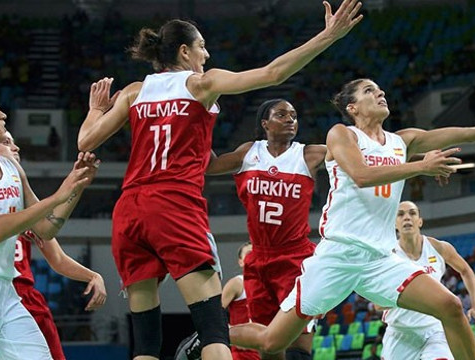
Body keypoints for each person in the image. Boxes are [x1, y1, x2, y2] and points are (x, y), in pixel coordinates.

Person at [76, 3, 363, 360]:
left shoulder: (135, 91)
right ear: (185, 51)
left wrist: (94, 110)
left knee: (146, 339)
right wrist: (328, 36)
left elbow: (85, 142)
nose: (207, 53)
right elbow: (273, 74)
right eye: (202, 46)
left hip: (129, 210)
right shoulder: (201, 83)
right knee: (213, 328)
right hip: (174, 205)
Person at [223, 78, 475, 360]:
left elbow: (466, 134)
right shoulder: (342, 134)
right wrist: (421, 167)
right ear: (352, 107)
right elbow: (362, 174)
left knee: (451, 306)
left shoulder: (403, 141)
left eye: (380, 89)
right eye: (369, 91)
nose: (379, 93)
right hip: (337, 255)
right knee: (273, 342)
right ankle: (211, 336)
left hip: (380, 258)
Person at [0, 87, 98, 359]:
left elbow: (45, 228)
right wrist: (59, 194)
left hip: (5, 287)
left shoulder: (12, 169)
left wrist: (75, 187)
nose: (3, 115)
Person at [205, 98, 325, 360]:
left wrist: (421, 160)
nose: (290, 119)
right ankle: (207, 337)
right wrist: (197, 122)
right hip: (258, 259)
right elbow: (209, 165)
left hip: (296, 257)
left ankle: (210, 335)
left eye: (294, 115)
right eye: (281, 115)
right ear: (264, 123)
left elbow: (362, 155)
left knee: (298, 344)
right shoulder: (250, 152)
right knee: (268, 347)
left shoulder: (308, 154)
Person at [0, 131, 107, 360]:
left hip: (21, 296)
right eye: (6, 142)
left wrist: (76, 186)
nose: (16, 148)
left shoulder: (20, 194)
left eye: (15, 142)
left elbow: (53, 246)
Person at [380, 201, 475, 360]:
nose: (407, 218)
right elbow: (378, 303)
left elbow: (466, 270)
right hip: (400, 332)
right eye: (400, 214)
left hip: (436, 329)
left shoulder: (438, 248)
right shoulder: (386, 255)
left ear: (420, 221)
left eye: (412, 213)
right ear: (394, 223)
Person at [221, 243, 260, 360]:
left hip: (268, 351)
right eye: (248, 254)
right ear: (241, 262)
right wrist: (233, 335)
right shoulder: (237, 283)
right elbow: (213, 317)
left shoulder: (272, 286)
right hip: (243, 354)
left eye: (256, 254)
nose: (253, 257)